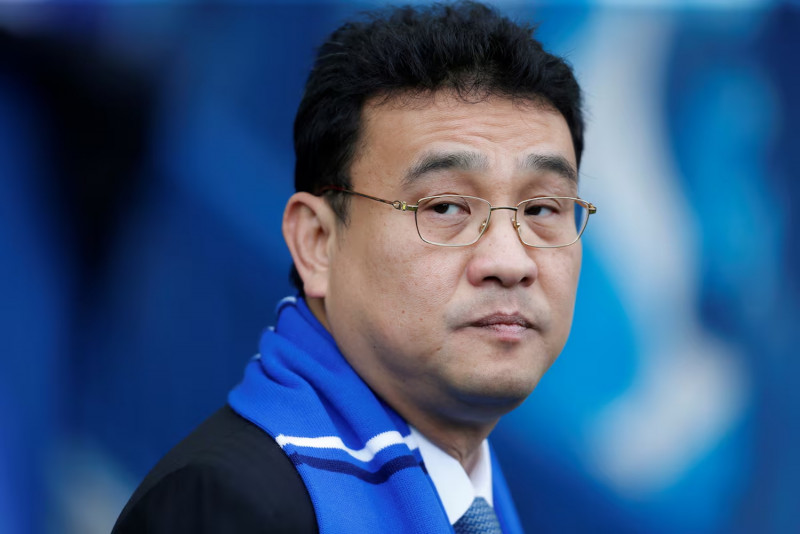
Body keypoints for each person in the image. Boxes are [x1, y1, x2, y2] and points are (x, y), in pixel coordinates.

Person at [112, 2, 594, 532]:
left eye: (542, 210)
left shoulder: (478, 503)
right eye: (446, 207)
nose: (509, 261)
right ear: (317, 242)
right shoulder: (227, 504)